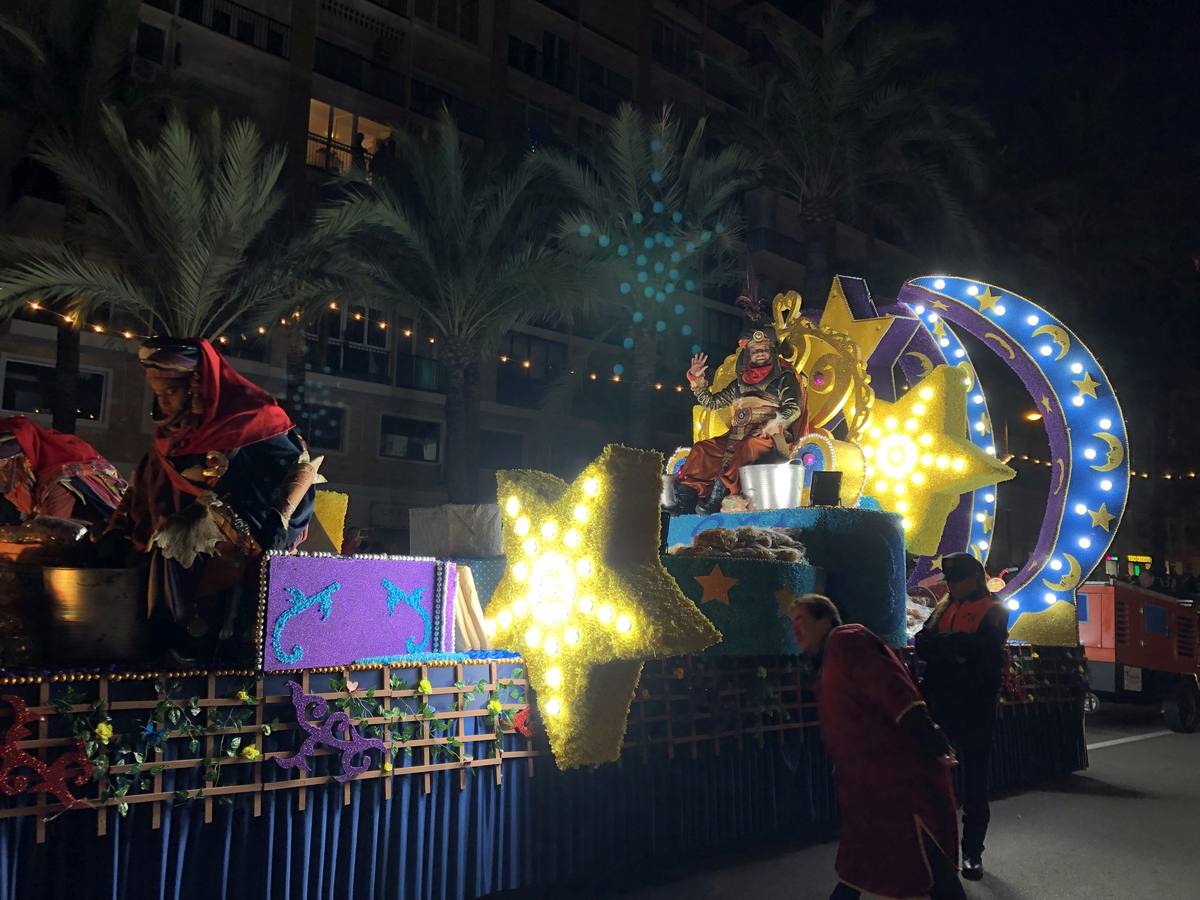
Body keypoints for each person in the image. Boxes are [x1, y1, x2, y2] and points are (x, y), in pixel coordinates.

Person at [101, 338, 320, 666]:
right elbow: (149, 481)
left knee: (176, 536)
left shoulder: (253, 415)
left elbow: (300, 469)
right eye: (158, 394)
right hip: (204, 512)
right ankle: (149, 632)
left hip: (261, 519)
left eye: (170, 393)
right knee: (144, 541)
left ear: (194, 385)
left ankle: (185, 635)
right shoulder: (177, 434)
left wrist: (280, 521)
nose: (164, 402)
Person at [791, 594, 964, 900]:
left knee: (923, 860)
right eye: (792, 623)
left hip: (898, 780)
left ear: (826, 620)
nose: (795, 630)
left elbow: (893, 688)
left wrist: (930, 736)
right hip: (866, 786)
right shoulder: (827, 658)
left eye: (801, 620)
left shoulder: (848, 640)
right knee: (865, 865)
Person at [914, 552, 1009, 881]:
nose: (951, 585)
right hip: (940, 704)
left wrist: (949, 648)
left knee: (974, 785)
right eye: (949, 581)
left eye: (957, 580)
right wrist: (957, 649)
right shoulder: (944, 607)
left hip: (975, 707)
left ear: (974, 578)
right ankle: (938, 849)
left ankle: (972, 852)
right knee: (935, 780)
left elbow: (983, 653)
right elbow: (922, 642)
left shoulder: (994, 609)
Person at [668, 328, 808, 515]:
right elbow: (713, 402)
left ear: (771, 352)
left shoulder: (784, 377)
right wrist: (697, 380)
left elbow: (793, 408)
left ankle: (721, 495)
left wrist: (773, 423)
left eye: (764, 349)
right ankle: (687, 497)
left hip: (770, 435)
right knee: (703, 449)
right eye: (755, 349)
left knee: (748, 446)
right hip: (736, 433)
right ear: (748, 354)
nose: (759, 353)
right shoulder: (740, 382)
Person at [0, 416, 125, 525]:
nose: (4, 477)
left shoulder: (59, 481)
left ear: (24, 462)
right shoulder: (46, 476)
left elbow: (53, 532)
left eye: (6, 469)